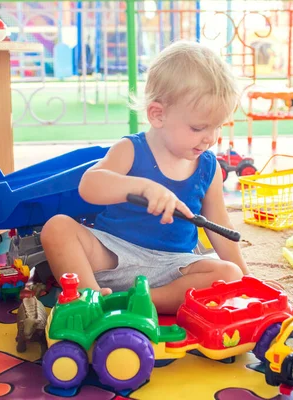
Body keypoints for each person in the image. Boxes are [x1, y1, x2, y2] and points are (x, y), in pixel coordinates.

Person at [41, 40, 274, 314]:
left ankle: (136, 302)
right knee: (57, 228)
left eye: (218, 127)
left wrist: (247, 278)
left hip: (174, 267)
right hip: (113, 254)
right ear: (158, 115)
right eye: (199, 127)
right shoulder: (131, 149)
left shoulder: (208, 167)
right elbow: (90, 186)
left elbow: (218, 225)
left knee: (229, 274)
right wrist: (141, 186)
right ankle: (88, 299)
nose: (210, 138)